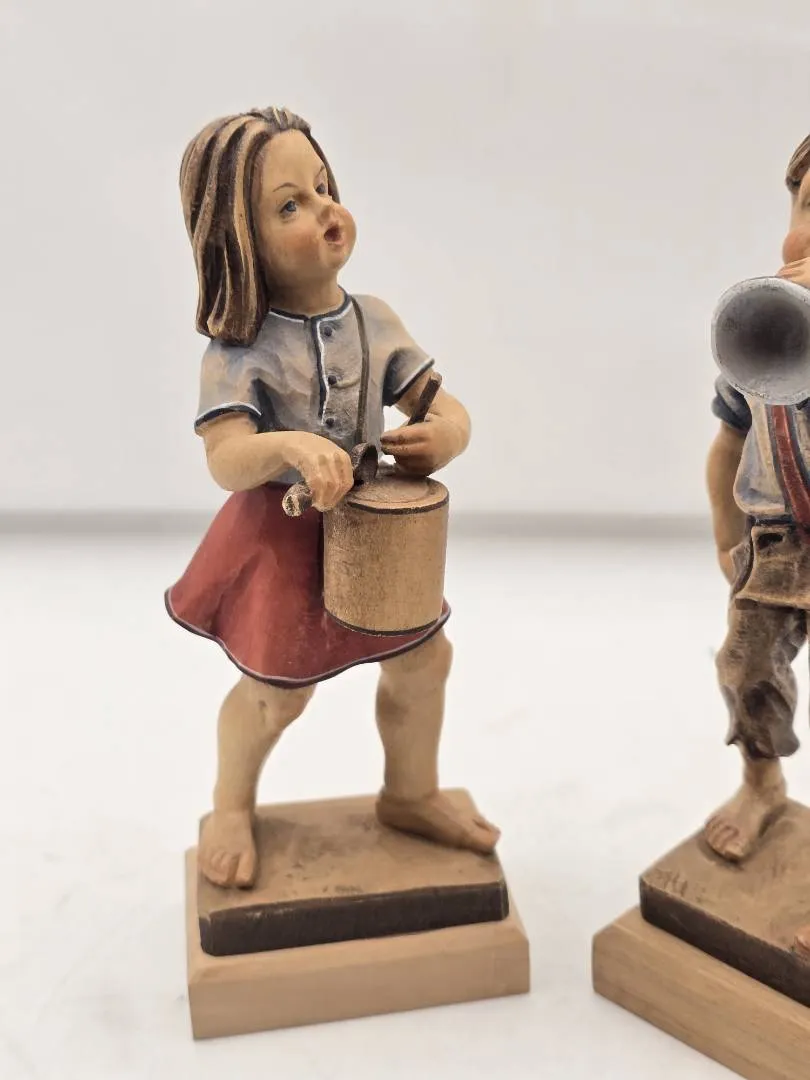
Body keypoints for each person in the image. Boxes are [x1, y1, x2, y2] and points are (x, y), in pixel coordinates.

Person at [166, 106, 499, 888]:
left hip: (376, 531)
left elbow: (442, 404)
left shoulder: (373, 321)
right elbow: (225, 458)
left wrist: (448, 433)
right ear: (238, 241)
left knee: (424, 661)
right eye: (290, 205)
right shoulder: (238, 350)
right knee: (276, 695)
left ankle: (410, 793)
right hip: (281, 541)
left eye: (322, 188)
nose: (324, 211)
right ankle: (229, 805)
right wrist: (287, 447)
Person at [706, 133, 810, 951]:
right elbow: (725, 447)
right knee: (746, 665)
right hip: (779, 542)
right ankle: (761, 780)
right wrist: (725, 537)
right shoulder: (764, 330)